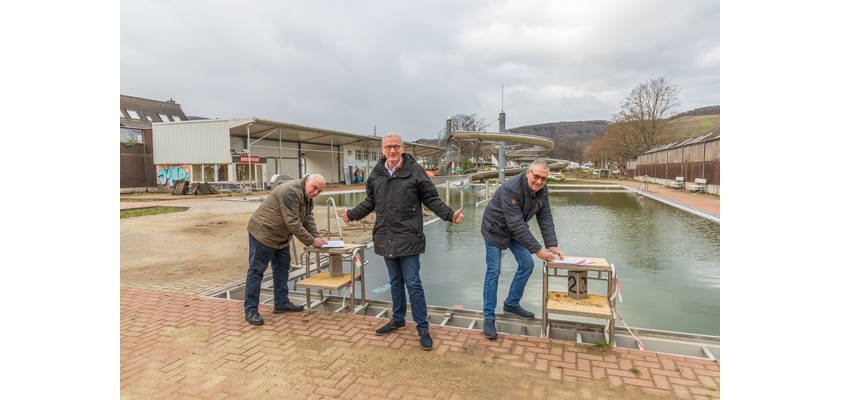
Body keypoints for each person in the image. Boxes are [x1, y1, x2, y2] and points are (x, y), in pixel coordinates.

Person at [342, 133, 464, 350]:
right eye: (388, 147)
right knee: (395, 281)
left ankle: (422, 327)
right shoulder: (376, 174)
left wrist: (450, 215)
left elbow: (431, 199)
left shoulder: (415, 171)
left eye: (396, 147)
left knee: (413, 282)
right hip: (385, 236)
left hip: (408, 236)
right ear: (382, 150)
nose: (392, 150)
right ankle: (397, 319)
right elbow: (370, 202)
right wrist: (352, 214)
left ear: (403, 148)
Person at [479, 159, 565, 340]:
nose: (540, 182)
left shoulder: (542, 189)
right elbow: (517, 224)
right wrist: (538, 250)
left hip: (514, 230)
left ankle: (511, 303)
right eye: (537, 177)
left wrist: (552, 244)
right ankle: (489, 316)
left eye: (544, 178)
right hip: (495, 229)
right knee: (494, 271)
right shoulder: (511, 188)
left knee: (527, 264)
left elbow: (545, 216)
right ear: (528, 173)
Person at [243, 174, 327, 325]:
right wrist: (312, 241)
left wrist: (317, 237)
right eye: (314, 188)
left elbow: (307, 218)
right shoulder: (291, 191)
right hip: (263, 233)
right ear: (307, 180)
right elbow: (293, 223)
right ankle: (251, 310)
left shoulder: (307, 196)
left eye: (319, 191)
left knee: (282, 268)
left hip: (281, 237)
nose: (315, 192)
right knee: (256, 271)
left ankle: (281, 303)